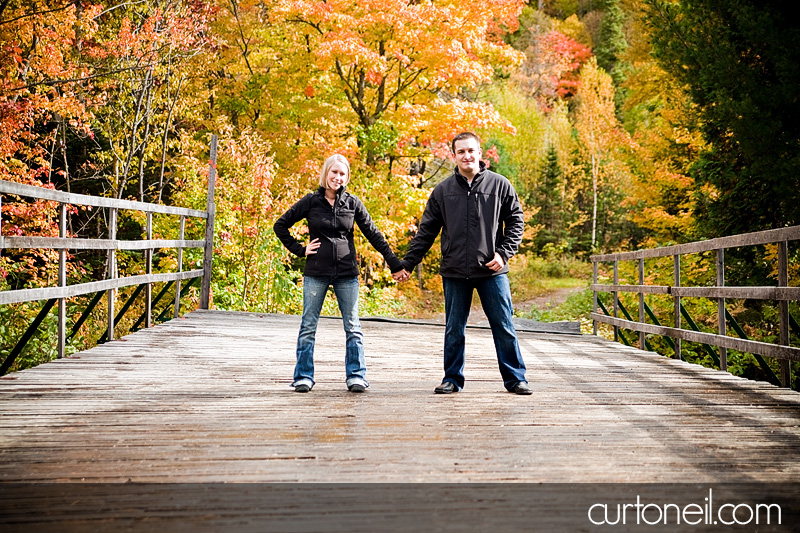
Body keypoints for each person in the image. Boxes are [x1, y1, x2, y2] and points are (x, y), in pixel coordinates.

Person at [393, 132, 532, 395]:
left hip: (493, 270)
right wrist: (408, 264)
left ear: (480, 153)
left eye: (471, 151)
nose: (467, 156)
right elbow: (426, 233)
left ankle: (515, 378)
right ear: (454, 156)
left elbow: (516, 222)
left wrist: (503, 254)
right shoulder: (443, 191)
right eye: (461, 152)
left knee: (503, 325)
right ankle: (452, 379)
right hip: (455, 271)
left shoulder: (500, 186)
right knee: (454, 328)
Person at [274, 154, 403, 393]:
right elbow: (280, 225)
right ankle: (303, 376)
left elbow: (374, 234)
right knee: (308, 326)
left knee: (352, 326)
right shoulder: (311, 201)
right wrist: (300, 250)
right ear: (326, 173)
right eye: (334, 172)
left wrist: (394, 262)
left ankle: (356, 376)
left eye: (342, 174)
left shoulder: (352, 204)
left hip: (346, 274)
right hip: (316, 272)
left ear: (347, 177)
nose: (338, 177)